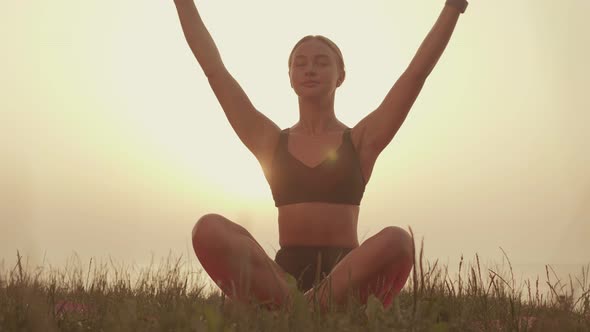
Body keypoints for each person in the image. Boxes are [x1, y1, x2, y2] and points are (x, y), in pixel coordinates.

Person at [173, 0, 469, 309]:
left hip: (348, 276)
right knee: (207, 228)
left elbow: (416, 74)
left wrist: (453, 7)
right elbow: (215, 71)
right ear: (290, 77)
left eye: (321, 62)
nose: (310, 68)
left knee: (398, 241)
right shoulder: (270, 142)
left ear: (341, 75)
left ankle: (302, 311)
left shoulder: (361, 141)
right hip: (282, 281)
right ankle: (305, 310)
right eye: (300, 63)